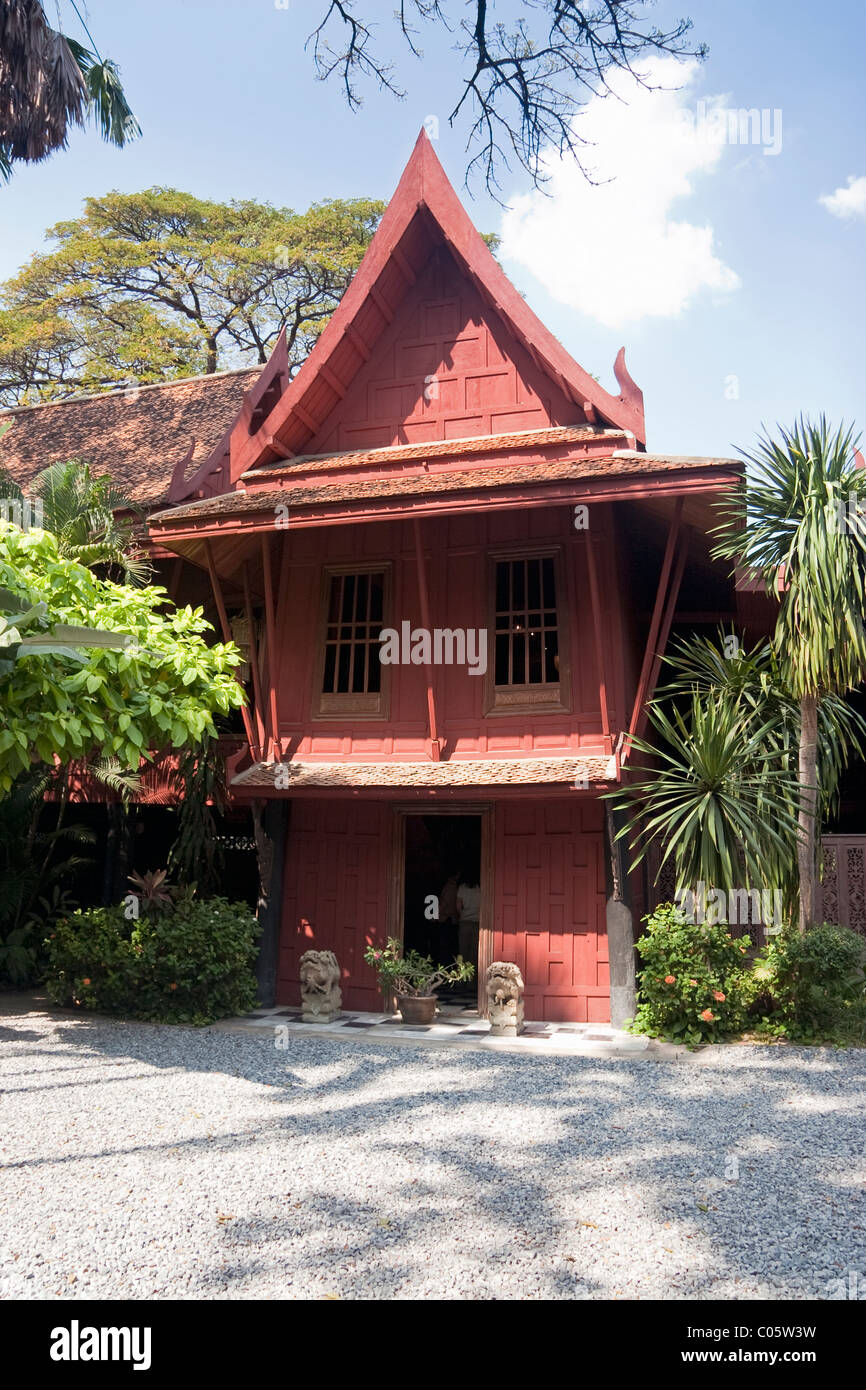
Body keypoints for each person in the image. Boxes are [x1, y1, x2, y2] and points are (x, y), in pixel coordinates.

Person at [456, 874, 481, 973]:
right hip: (476, 923)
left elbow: (458, 907)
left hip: (464, 922)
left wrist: (463, 914)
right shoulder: (480, 889)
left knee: (462, 952)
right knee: (474, 953)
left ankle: (461, 979)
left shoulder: (462, 888)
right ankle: (472, 983)